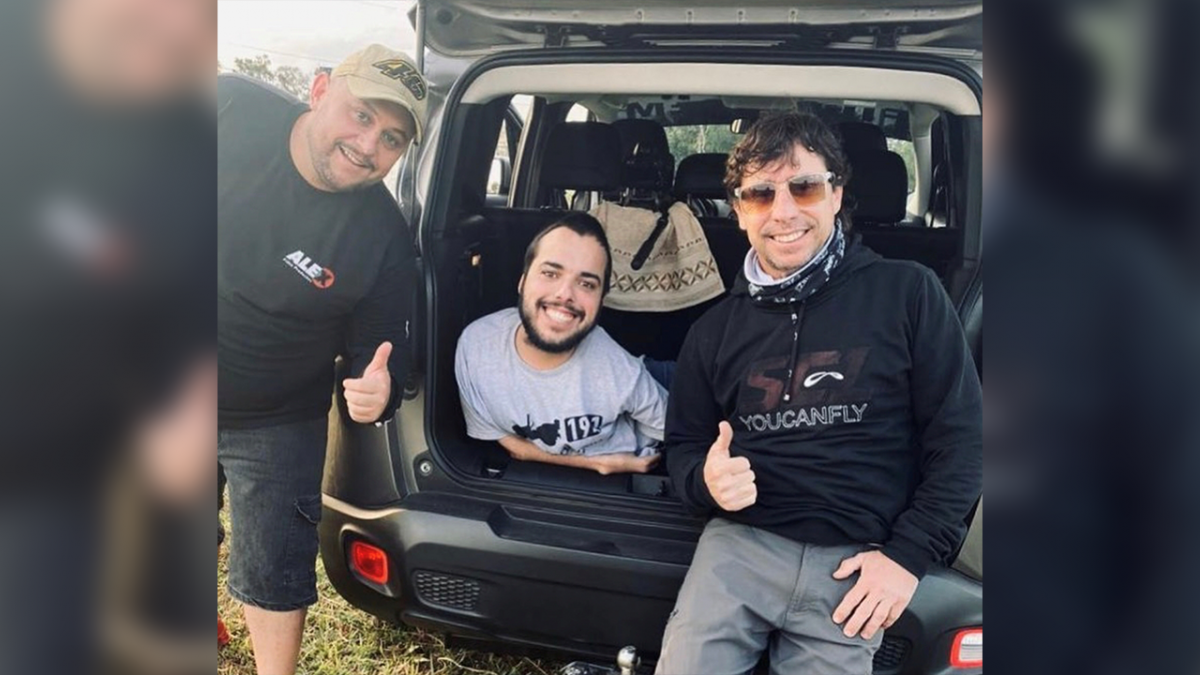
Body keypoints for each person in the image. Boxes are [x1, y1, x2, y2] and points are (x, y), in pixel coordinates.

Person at [656, 112, 983, 674]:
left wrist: (907, 557)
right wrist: (704, 481)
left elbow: (963, 440)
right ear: (738, 211)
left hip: (858, 562)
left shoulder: (909, 293)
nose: (783, 212)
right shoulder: (713, 330)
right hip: (740, 546)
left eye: (803, 187)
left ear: (837, 194)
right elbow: (683, 445)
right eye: (760, 194)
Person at [217, 43, 425, 675]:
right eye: (361, 116)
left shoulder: (383, 237)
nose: (368, 146)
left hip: (276, 419)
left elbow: (379, 349)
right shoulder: (229, 108)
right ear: (318, 90)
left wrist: (377, 388)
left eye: (391, 138)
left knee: (275, 569)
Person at [455, 214, 667, 475]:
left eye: (586, 284)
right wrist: (599, 464)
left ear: (601, 300)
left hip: (651, 391)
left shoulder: (619, 371)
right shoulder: (476, 348)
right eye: (550, 273)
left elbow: (675, 435)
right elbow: (513, 446)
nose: (565, 294)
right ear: (522, 281)